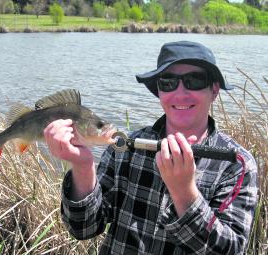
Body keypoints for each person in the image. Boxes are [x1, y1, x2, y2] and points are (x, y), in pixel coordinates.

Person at [44, 41, 258, 254]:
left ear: (214, 90)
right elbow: (83, 228)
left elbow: (231, 249)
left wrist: (184, 192)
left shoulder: (237, 163)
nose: (181, 93)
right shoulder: (125, 148)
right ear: (159, 92)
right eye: (168, 82)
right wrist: (82, 166)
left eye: (195, 80)